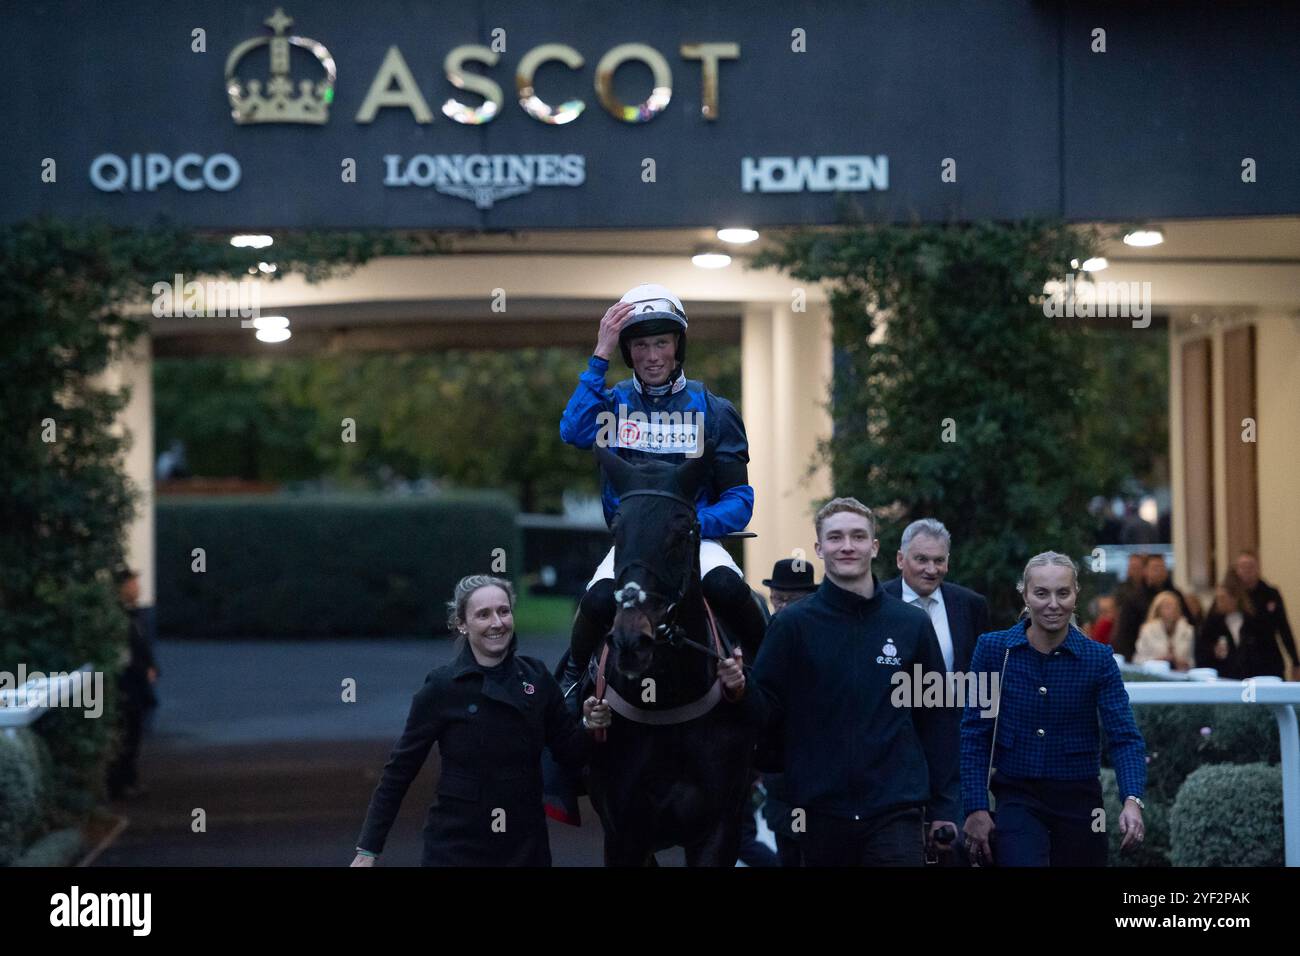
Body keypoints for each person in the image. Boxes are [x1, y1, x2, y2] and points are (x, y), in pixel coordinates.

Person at [557, 284, 766, 703]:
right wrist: (599, 354)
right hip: (632, 547)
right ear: (627, 351)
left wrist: (688, 527)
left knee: (728, 588)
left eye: (662, 343)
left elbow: (740, 500)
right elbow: (573, 431)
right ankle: (570, 682)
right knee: (598, 600)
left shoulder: (715, 410)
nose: (652, 356)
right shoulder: (611, 405)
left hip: (696, 542)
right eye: (640, 345)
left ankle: (770, 678)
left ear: (678, 347)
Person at [352, 575, 611, 867]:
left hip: (525, 848)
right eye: (483, 614)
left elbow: (571, 755)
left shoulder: (537, 678)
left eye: (503, 611)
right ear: (462, 624)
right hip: (456, 848)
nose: (497, 623)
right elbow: (399, 771)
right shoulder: (442, 687)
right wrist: (368, 849)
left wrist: (590, 725)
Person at [752, 497, 950, 867]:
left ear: (874, 547)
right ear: (819, 548)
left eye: (858, 536)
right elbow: (764, 712)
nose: (847, 546)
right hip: (819, 814)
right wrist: (736, 688)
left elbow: (937, 719)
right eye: (836, 537)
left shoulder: (911, 624)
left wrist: (945, 806)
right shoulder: (792, 625)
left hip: (896, 811)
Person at [961, 552, 1147, 867]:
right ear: (1025, 595)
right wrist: (976, 807)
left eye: (1063, 593)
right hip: (1016, 796)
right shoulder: (994, 650)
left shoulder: (1098, 658)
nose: (1053, 603)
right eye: (1041, 593)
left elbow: (1124, 736)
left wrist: (1132, 800)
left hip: (1083, 801)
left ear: (1076, 595)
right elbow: (975, 733)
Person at [881, 517, 990, 865]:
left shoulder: (969, 605)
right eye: (921, 559)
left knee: (953, 849)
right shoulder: (876, 602)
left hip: (955, 752)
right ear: (900, 559)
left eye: (939, 560)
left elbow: (983, 678)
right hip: (891, 752)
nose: (931, 569)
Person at [757, 557, 819, 867]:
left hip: (824, 779)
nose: (781, 606)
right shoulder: (765, 636)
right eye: (776, 598)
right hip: (781, 775)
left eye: (790, 600)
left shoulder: (825, 637)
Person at [107, 567, 159, 801]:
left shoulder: (134, 616)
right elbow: (124, 654)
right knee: (126, 734)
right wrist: (143, 669)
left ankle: (128, 779)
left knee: (133, 733)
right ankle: (120, 782)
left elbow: (140, 648)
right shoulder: (120, 617)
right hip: (127, 685)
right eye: (133, 584)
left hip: (135, 685)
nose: (138, 588)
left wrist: (152, 667)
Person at [1234, 551, 1297, 679]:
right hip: (1243, 661)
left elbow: (1283, 628)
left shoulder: (1270, 594)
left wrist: (1295, 660)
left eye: (1250, 566)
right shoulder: (1233, 597)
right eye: (1242, 567)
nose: (1246, 571)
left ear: (1257, 568)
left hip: (1269, 658)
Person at [1195, 573, 1262, 679]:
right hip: (1223, 675)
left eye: (1223, 598)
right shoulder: (1212, 623)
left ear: (1235, 598)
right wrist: (1213, 651)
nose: (1219, 603)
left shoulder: (1252, 621)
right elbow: (1201, 650)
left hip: (1250, 676)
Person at [1133, 591, 1195, 670]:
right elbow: (1138, 659)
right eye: (1167, 606)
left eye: (1175, 606)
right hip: (1155, 675)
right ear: (1158, 609)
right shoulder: (1147, 630)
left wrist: (1179, 661)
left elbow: (1191, 661)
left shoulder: (1188, 631)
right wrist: (1158, 661)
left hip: (1181, 675)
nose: (1172, 610)